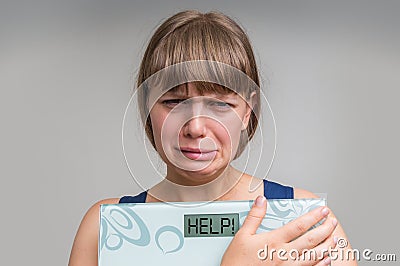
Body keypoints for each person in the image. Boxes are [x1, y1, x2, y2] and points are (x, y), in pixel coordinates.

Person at [69, 10, 356, 265]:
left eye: (220, 104)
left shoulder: (305, 220)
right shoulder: (104, 228)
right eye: (172, 101)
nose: (195, 127)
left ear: (247, 111)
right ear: (146, 106)